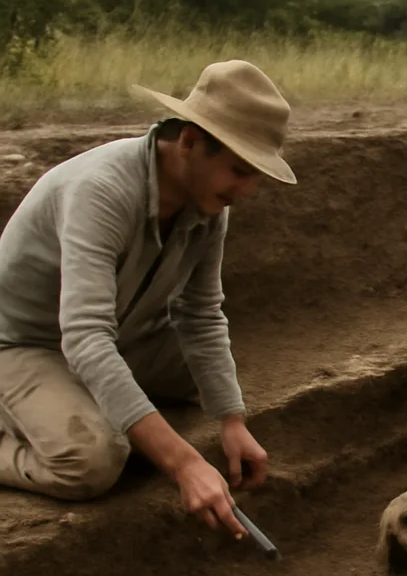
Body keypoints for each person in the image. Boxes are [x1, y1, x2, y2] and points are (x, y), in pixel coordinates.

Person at [0, 59, 296, 538]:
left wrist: (232, 420)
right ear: (190, 141)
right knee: (93, 461)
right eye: (239, 170)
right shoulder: (101, 192)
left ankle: (97, 410)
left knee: (207, 374)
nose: (248, 190)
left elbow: (200, 314)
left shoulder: (206, 203)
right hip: (24, 346)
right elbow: (85, 337)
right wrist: (184, 464)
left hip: (119, 335)